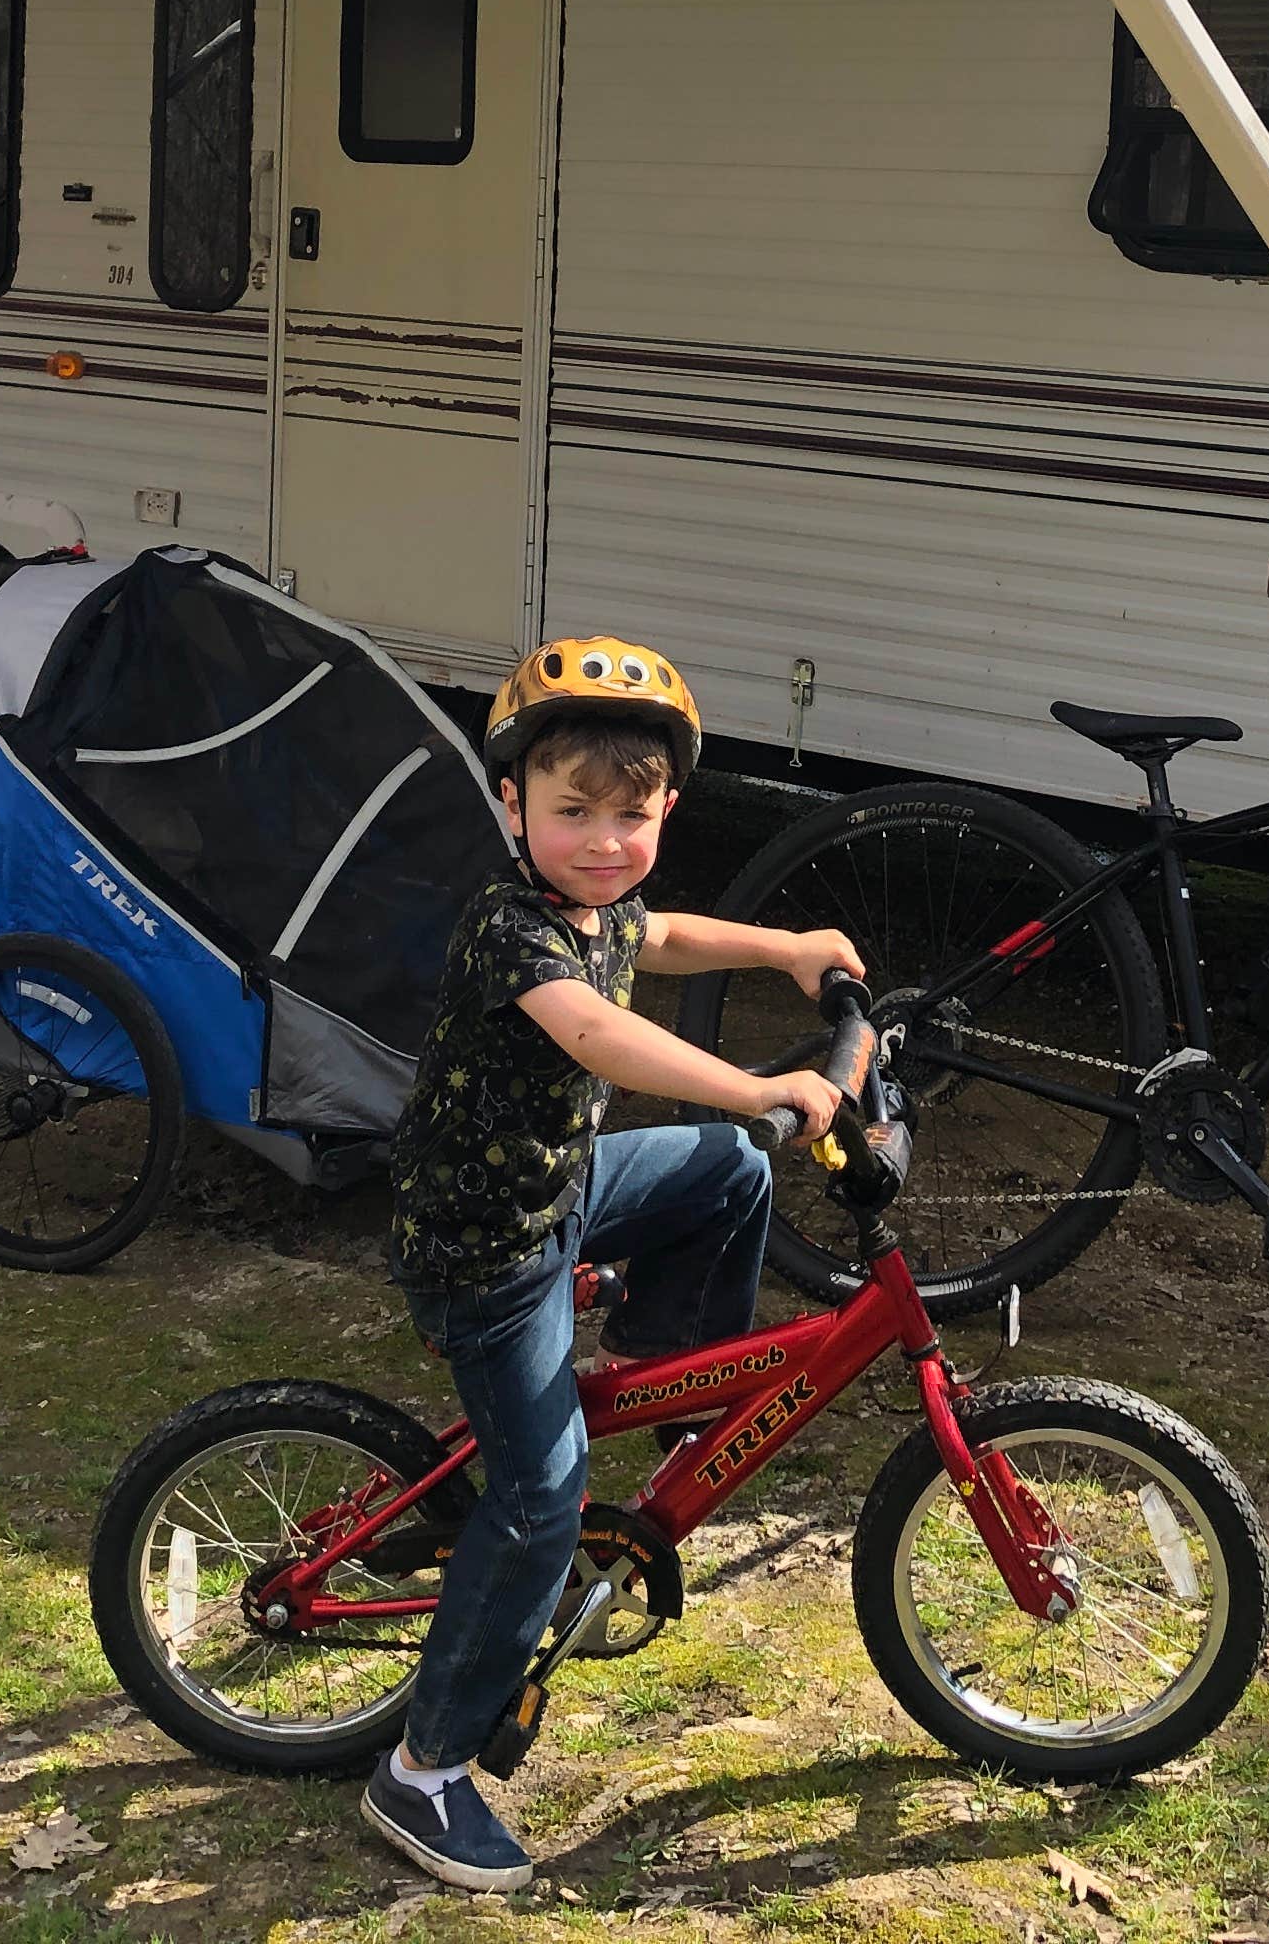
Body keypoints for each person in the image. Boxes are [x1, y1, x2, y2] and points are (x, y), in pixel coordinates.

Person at [360, 636, 863, 1893]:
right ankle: (420, 1773)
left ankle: (649, 1363)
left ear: (665, 811)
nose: (602, 842)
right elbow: (602, 1032)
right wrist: (758, 1083)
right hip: (490, 1249)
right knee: (541, 1503)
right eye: (571, 811)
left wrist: (787, 945)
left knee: (727, 1173)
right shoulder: (512, 928)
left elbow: (667, 936)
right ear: (511, 804)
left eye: (630, 816)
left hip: (559, 1193)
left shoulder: (603, 903)